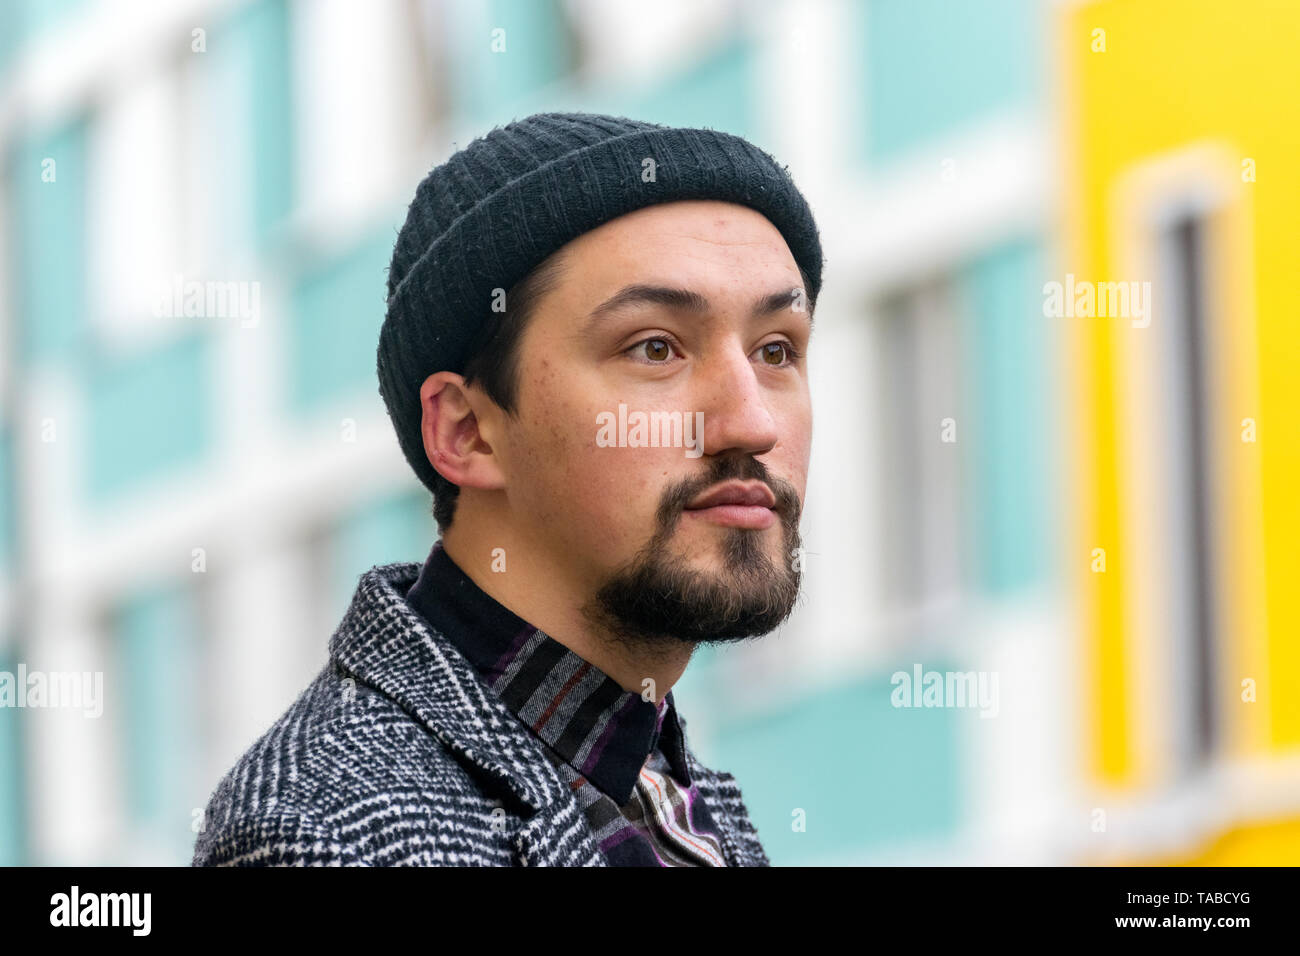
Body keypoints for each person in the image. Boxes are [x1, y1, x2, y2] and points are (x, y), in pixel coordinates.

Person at [192, 111, 823, 866]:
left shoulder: (662, 789)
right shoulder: (327, 833)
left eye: (776, 350)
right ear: (466, 431)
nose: (750, 422)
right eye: (655, 347)